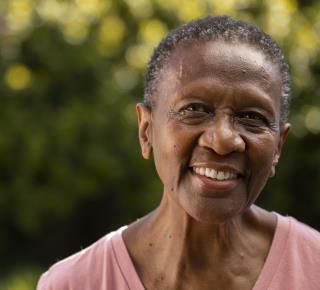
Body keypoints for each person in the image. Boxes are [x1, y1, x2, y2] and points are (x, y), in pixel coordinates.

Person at [37, 15, 320, 290]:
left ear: (278, 146)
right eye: (195, 110)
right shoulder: (74, 283)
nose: (222, 141)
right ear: (146, 130)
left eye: (252, 118)